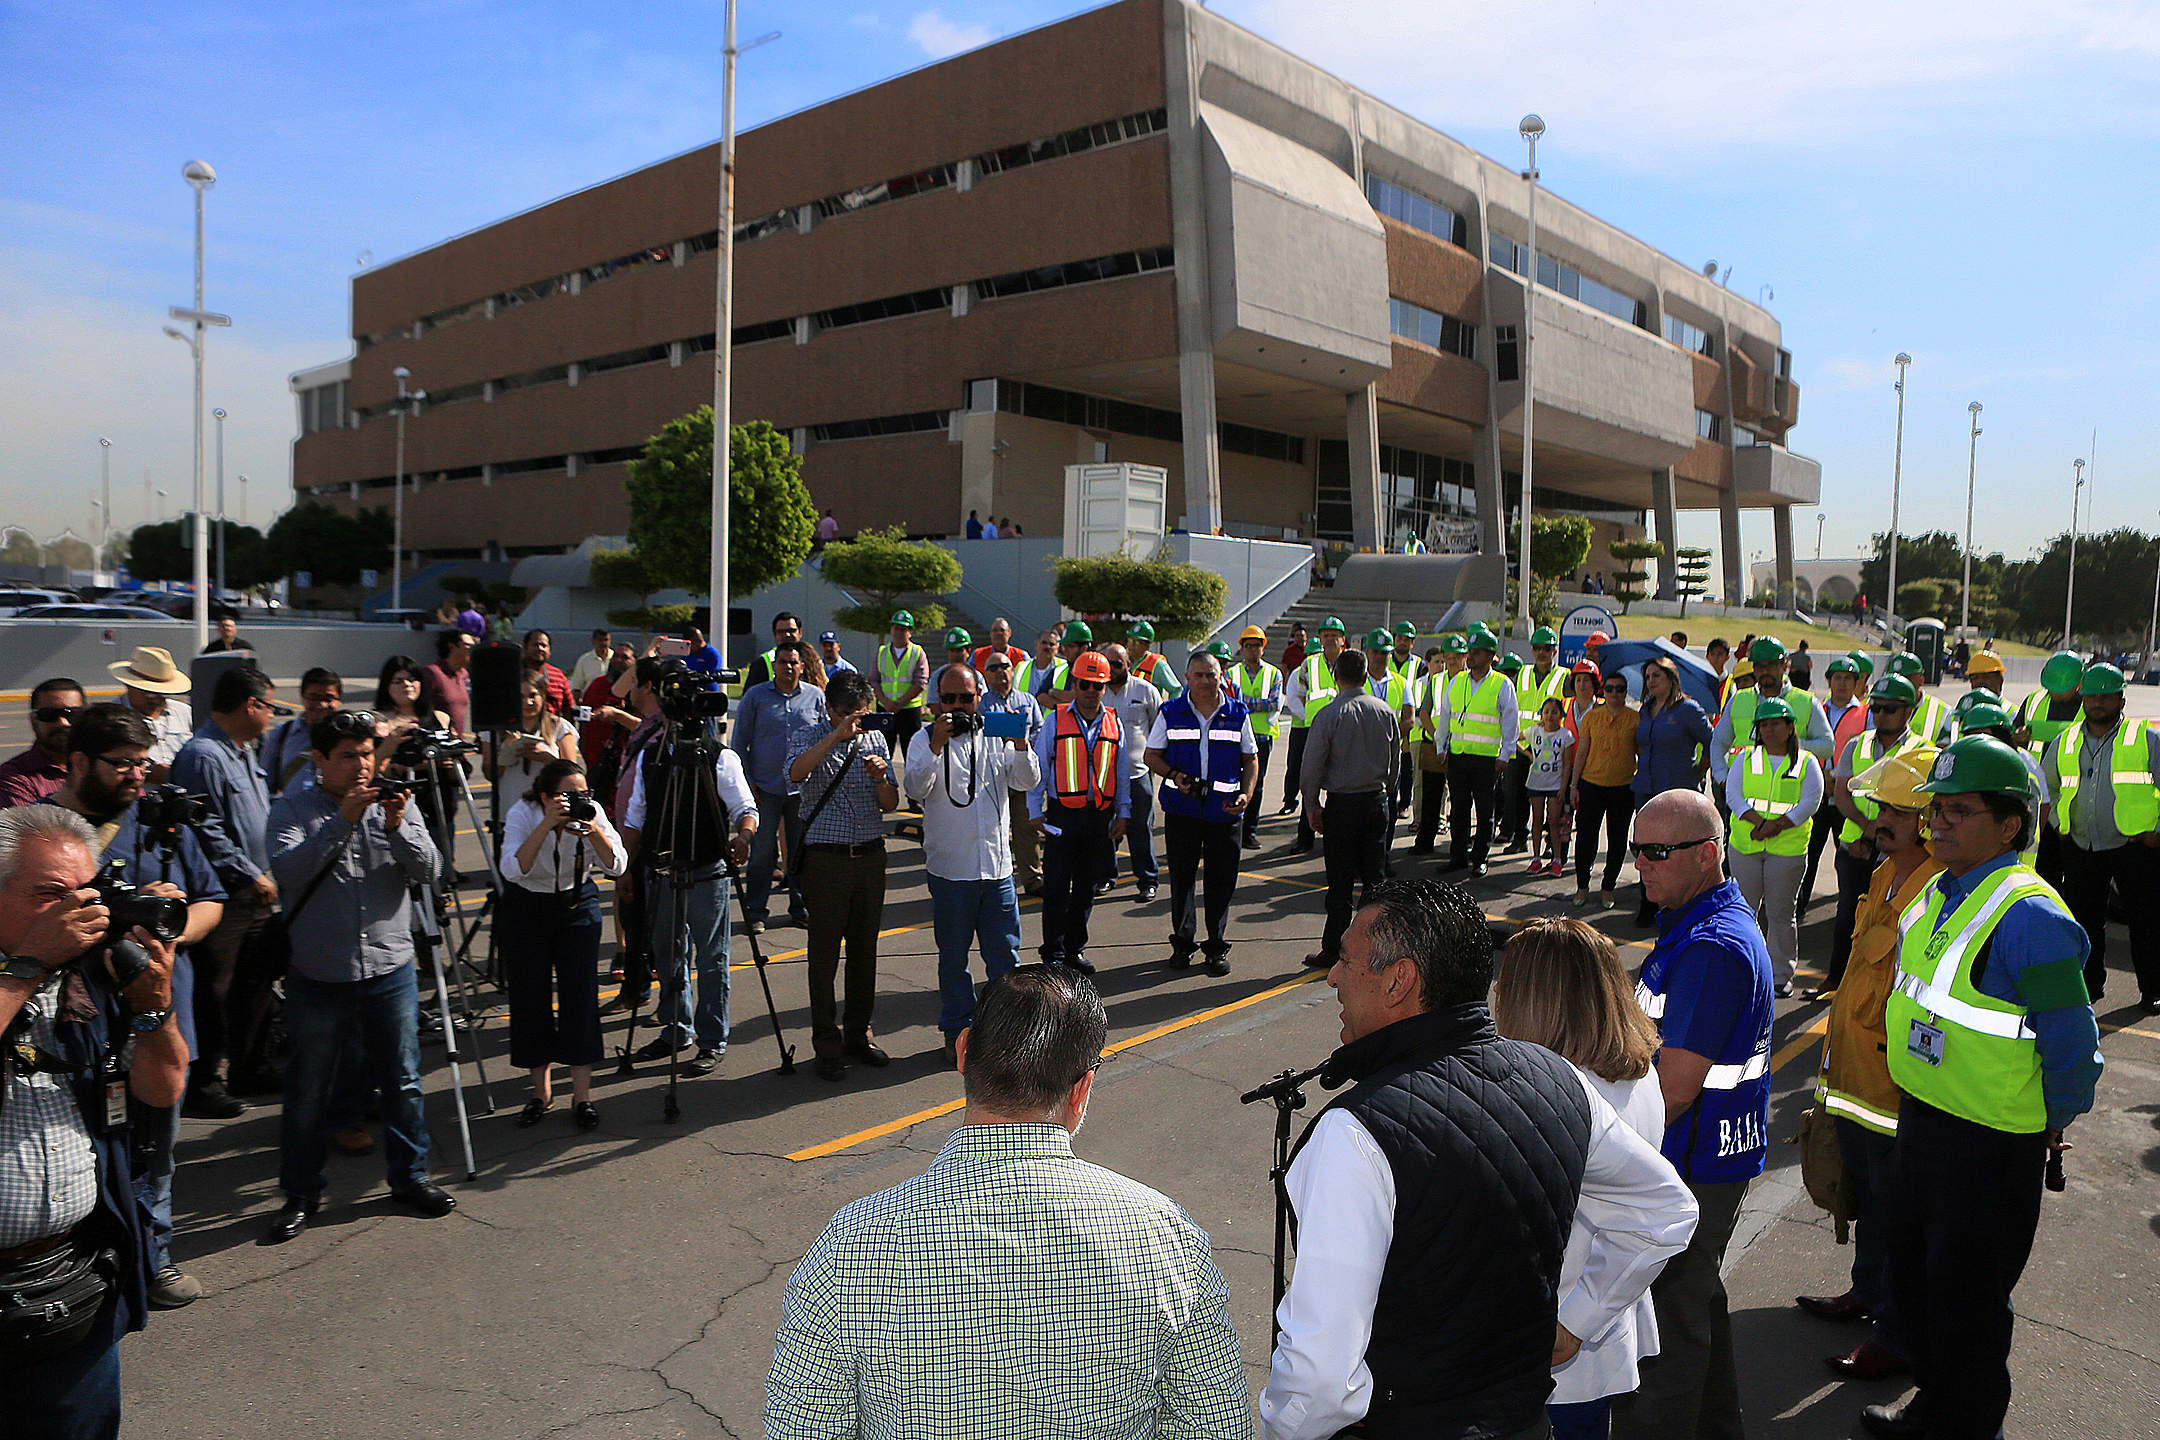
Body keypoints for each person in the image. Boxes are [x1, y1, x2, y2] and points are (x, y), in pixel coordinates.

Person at [1261, 879, 1697, 1440]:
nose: (1334, 976)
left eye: (1346, 960)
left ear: (1400, 981)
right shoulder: (1558, 1078)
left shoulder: (1355, 1133)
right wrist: (1577, 1322)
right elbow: (1665, 1209)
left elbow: (1320, 1374)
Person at [766, 964, 1251, 1437]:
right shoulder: (1163, 1234)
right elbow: (1216, 1420)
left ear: (962, 1052)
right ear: (1081, 1088)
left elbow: (800, 1424)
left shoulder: (850, 1244)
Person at [1861, 735, 2103, 1440]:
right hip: (1926, 1123)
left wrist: (2049, 1122)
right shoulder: (1939, 886)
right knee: (1917, 1286)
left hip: (1991, 1146)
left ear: (2010, 826)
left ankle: (1966, 1429)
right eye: (1935, 809)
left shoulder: (2032, 917)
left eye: (1959, 811)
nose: (1938, 822)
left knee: (1968, 1305)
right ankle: (1935, 1409)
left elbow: (2073, 1050)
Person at [0, 805, 185, 1438]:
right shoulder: (31, 969)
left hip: (75, 1284)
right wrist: (26, 966)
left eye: (82, 895)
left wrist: (154, 1010)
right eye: (47, 896)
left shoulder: (87, 977)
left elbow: (164, 1090)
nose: (70, 913)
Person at [44, 705, 226, 1310]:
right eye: (120, 764)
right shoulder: (39, 834)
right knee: (79, 1151)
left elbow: (212, 904)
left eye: (142, 764)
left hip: (157, 1015)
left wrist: (165, 927)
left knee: (157, 1150)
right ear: (77, 762)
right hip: (73, 1028)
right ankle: (84, 1268)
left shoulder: (158, 821)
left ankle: (156, 1256)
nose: (135, 777)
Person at [1609, 790, 1773, 1440]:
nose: (1641, 866)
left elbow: (1674, 1089)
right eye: (1635, 851)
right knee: (1695, 1302)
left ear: (1707, 854)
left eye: (1656, 852)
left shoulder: (1711, 949)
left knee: (1663, 1335)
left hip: (1689, 1163)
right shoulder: (1692, 924)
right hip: (1700, 1157)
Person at [262, 709, 456, 1243]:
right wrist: (342, 819)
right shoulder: (292, 808)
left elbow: (429, 872)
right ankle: (301, 1193)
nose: (361, 765)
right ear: (319, 759)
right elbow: (290, 871)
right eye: (348, 756)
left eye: (368, 753)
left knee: (403, 1081)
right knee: (307, 1091)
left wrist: (397, 826)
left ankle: (410, 1177)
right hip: (320, 974)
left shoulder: (395, 802)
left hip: (388, 968)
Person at [1493, 918, 1687, 1440]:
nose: (1494, 992)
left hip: (1558, 1332)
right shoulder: (1639, 1069)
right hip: (1595, 1326)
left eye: (1506, 982)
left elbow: (1661, 1213)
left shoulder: (1563, 1092)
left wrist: (1574, 1322)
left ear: (1535, 1000)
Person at [1794, 748, 1939, 1384]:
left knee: (1895, 1207)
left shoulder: (1937, 888)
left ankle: (1895, 1332)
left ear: (1929, 821)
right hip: (1854, 1072)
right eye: (1880, 807)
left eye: (1897, 813)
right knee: (1866, 1194)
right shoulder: (1884, 874)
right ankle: (1867, 1296)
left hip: (1893, 1081)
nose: (1880, 820)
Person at [620, 670, 759, 1077]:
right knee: (667, 954)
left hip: (707, 870)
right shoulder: (652, 756)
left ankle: (712, 1039)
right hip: (662, 871)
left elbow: (746, 809)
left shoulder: (720, 756)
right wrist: (627, 870)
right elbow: (635, 818)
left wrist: (744, 839)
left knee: (712, 959)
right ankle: (674, 1028)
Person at [906, 663, 1039, 1066]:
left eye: (966, 697)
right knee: (953, 958)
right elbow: (915, 788)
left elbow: (1027, 781)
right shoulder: (922, 739)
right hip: (951, 869)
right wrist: (935, 747)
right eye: (949, 699)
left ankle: (1006, 1031)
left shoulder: (995, 735)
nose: (958, 706)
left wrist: (1020, 743)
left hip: (996, 868)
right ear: (936, 703)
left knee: (1004, 960)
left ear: (979, 697)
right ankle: (958, 1031)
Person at [170, 667, 285, 1115]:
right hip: (228, 892)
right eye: (270, 706)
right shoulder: (204, 756)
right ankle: (203, 1083)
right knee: (213, 990)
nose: (273, 715)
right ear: (250, 705)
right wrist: (248, 874)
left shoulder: (241, 752)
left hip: (257, 889)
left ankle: (250, 1067)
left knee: (253, 983)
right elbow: (205, 829)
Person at [501, 758, 625, 1130]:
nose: (577, 800)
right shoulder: (523, 812)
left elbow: (617, 865)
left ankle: (582, 1096)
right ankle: (540, 1092)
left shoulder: (592, 812)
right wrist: (547, 824)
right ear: (545, 796)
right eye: (567, 795)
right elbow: (513, 868)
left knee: (580, 996)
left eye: (583, 793)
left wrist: (593, 832)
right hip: (527, 906)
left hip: (576, 903)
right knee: (530, 996)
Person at [788, 670, 900, 1079]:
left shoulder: (876, 739)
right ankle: (826, 1043)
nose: (856, 721)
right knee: (823, 955)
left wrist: (881, 777)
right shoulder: (810, 735)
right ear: (830, 711)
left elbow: (889, 802)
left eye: (861, 713)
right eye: (846, 714)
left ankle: (858, 1033)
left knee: (864, 951)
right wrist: (835, 737)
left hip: (869, 855)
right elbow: (795, 774)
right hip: (826, 859)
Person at [2041, 661, 2160, 1008]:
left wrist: (2157, 831)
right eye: (2092, 696)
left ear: (2122, 701)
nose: (2098, 703)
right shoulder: (2066, 741)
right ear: (2082, 699)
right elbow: (2049, 788)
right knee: (2085, 922)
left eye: (2107, 697)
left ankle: (2152, 989)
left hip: (2135, 844)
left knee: (2146, 920)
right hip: (2082, 844)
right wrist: (2059, 823)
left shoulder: (2145, 738)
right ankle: (2089, 988)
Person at [1146, 649, 1256, 977]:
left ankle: (1216, 945)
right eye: (1199, 675)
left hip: (1225, 813)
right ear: (1187, 679)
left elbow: (1251, 759)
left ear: (1221, 676)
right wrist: (1173, 775)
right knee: (1182, 880)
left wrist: (1246, 795)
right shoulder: (1170, 712)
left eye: (1212, 675)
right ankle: (1183, 942)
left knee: (1221, 881)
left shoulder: (1238, 713)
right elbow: (1152, 755)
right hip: (1183, 812)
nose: (1206, 681)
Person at [1826, 675, 1926, 993]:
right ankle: (1837, 979)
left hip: (1900, 854)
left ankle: (1882, 987)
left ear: (1909, 710)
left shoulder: (1921, 750)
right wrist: (1869, 828)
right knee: (1849, 916)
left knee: (1892, 921)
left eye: (1890, 709)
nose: (1881, 715)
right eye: (1876, 708)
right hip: (1856, 847)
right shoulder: (1858, 744)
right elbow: (1841, 794)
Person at [1301, 650, 1400, 970]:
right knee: (1375, 881)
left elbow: (1312, 764)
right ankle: (1378, 947)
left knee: (1340, 882)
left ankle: (1334, 947)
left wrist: (1312, 804)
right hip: (1376, 801)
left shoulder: (1330, 714)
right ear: (1365, 675)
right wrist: (1389, 793)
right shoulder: (1384, 711)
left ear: (1336, 675)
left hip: (1343, 805)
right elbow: (1396, 759)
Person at [1030, 651, 1127, 976]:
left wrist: (1123, 812)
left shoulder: (1114, 722)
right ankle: (1053, 955)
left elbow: (1121, 770)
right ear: (1074, 683)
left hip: (1098, 816)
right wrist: (1034, 809)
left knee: (1086, 887)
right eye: (1083, 683)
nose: (1089, 690)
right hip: (1061, 815)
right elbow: (1040, 766)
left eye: (1096, 685)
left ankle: (1075, 950)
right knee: (1056, 887)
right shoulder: (1056, 719)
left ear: (1105, 687)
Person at [1723, 696, 1823, 996]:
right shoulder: (1744, 758)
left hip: (1787, 849)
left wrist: (1776, 825)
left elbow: (1811, 800)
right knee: (1744, 910)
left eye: (1775, 723)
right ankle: (1743, 966)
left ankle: (1780, 974)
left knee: (1780, 913)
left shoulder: (1806, 762)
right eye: (1763, 725)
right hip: (1746, 846)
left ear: (1790, 727)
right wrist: (1758, 823)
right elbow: (1733, 795)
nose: (1769, 730)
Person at [732, 638, 823, 935]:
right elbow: (739, 742)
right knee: (761, 855)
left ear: (802, 666)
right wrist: (748, 783)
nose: (788, 667)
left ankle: (801, 908)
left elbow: (824, 740)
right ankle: (756, 912)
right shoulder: (756, 697)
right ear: (774, 666)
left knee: (799, 853)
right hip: (765, 789)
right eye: (782, 662)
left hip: (802, 790)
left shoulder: (815, 697)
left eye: (793, 662)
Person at [1630, 656, 1714, 927]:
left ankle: (1678, 905)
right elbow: (1642, 743)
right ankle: (1648, 903)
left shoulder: (1688, 709)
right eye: (1647, 677)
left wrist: (1698, 773)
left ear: (1671, 678)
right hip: (1645, 789)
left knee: (1675, 852)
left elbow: (1712, 742)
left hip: (1677, 791)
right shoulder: (1645, 709)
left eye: (1656, 675)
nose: (1651, 681)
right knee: (1645, 849)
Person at [1435, 624, 1518, 879]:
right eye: (1470, 652)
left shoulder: (1501, 684)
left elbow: (1510, 721)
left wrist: (1506, 754)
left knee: (1484, 812)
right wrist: (1441, 746)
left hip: (1487, 760)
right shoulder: (1457, 681)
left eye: (1477, 653)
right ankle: (1457, 855)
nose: (1470, 657)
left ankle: (1480, 858)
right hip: (1459, 757)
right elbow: (1445, 716)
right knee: (1458, 810)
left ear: (1491, 656)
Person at [1801, 656, 1869, 924]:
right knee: (1809, 855)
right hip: (1815, 794)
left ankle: (1846, 912)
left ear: (1857, 683)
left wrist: (1840, 781)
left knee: (1846, 860)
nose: (1842, 683)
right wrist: (1822, 779)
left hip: (1847, 797)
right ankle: (1799, 905)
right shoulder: (1814, 709)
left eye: (1848, 678)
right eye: (1837, 678)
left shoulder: (1867, 713)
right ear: (1828, 681)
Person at [977, 650, 1045, 894]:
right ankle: (992, 879)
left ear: (1013, 670)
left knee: (1025, 829)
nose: (999, 672)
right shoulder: (982, 703)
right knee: (992, 829)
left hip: (1022, 772)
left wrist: (1023, 742)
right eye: (992, 668)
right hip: (993, 775)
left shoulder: (1028, 699)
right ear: (985, 675)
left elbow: (1039, 729)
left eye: (1004, 666)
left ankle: (1033, 878)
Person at [1098, 643, 1162, 901]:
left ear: (1128, 665)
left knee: (1140, 828)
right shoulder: (1096, 691)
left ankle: (1148, 880)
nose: (1112, 669)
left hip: (1137, 773)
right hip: (1103, 775)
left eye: (1117, 664)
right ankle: (1105, 877)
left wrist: (1155, 765)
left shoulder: (1145, 690)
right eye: (1108, 664)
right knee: (1105, 828)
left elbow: (1159, 729)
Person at [1568, 669, 1637, 909]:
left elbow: (1642, 753)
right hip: (1591, 785)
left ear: (1626, 692)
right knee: (1586, 838)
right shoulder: (1591, 718)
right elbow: (1582, 753)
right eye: (1609, 688)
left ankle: (1608, 888)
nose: (1614, 693)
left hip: (1623, 789)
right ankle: (1582, 886)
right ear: (1603, 691)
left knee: (1617, 840)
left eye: (1620, 689)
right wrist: (1574, 785)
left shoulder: (1634, 719)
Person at [1281, 616, 1349, 851]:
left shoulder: (1350, 662)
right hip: (1314, 732)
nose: (1329, 640)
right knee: (1310, 785)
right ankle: (1305, 839)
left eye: (1334, 635)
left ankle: (1336, 840)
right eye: (1325, 635)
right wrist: (1311, 719)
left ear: (1343, 639)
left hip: (1344, 733)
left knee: (1340, 788)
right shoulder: (1309, 664)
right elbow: (1299, 695)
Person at [1230, 625, 1286, 848]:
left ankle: (1249, 832)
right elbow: (1230, 701)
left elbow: (1274, 702)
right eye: (1248, 645)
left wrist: (1244, 704)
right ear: (1242, 648)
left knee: (1256, 784)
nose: (1253, 649)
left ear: (1264, 647)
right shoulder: (1232, 673)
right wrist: (1253, 706)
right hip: (1235, 735)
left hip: (1262, 736)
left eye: (1257, 645)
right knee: (1231, 782)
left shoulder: (1274, 674)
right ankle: (1232, 826)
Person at [107, 646, 193, 777]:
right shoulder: (110, 717)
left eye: (164, 694)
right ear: (129, 685)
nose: (157, 700)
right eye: (150, 694)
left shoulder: (185, 713)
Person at [0, 676, 85, 805]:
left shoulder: (105, 763)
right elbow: (30, 823)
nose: (62, 723)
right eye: (48, 715)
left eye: (72, 714)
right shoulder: (13, 776)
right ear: (33, 722)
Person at [492, 673, 582, 792]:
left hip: (548, 802)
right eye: (521, 697)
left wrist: (547, 758)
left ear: (543, 696)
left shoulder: (560, 726)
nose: (528, 702)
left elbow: (571, 772)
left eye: (533, 695)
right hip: (510, 801)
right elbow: (490, 774)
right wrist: (505, 752)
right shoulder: (499, 728)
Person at [262, 667, 343, 796]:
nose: (321, 704)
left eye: (329, 699)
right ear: (302, 698)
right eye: (313, 698)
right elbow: (265, 784)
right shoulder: (282, 734)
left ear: (339, 701)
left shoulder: (348, 736)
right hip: (291, 813)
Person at [873, 610, 929, 788]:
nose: (899, 632)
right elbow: (874, 679)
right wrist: (886, 702)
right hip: (885, 709)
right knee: (882, 753)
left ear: (910, 632)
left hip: (909, 711)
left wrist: (900, 703)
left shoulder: (917, 652)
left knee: (911, 754)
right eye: (896, 628)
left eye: (903, 629)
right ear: (891, 630)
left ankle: (913, 795)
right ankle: (883, 791)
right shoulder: (882, 652)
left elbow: (920, 682)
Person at [1524, 696, 1574, 878]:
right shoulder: (1534, 731)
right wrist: (1528, 755)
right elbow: (1514, 738)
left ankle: (1557, 860)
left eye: (1554, 712)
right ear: (1541, 714)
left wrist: (1563, 788)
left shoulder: (1565, 735)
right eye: (1546, 712)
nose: (1550, 715)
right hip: (1536, 782)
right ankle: (1536, 858)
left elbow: (1567, 764)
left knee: (1554, 822)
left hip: (1555, 784)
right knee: (1537, 821)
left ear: (1561, 714)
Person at [419, 629, 474, 737]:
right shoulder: (432, 673)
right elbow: (419, 709)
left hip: (457, 743)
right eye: (469, 646)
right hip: (438, 743)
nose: (473, 650)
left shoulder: (463, 674)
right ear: (451, 647)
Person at [742, 613, 805, 690]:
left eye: (791, 630)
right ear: (774, 634)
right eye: (781, 632)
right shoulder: (762, 663)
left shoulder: (813, 661)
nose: (787, 635)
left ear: (800, 632)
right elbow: (751, 697)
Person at [522, 628, 576, 715]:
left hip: (552, 726)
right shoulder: (511, 672)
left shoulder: (558, 676)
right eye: (535, 645)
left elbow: (568, 709)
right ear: (525, 647)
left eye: (544, 645)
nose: (540, 649)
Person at [1124, 619, 1181, 696]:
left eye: (1137, 642)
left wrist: (1169, 707)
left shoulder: (1158, 665)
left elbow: (1176, 690)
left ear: (1147, 645)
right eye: (1130, 640)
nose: (1131, 645)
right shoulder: (1123, 661)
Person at [568, 628, 612, 693]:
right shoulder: (584, 660)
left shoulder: (616, 658)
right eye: (600, 640)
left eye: (606, 640)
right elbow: (577, 686)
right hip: (591, 700)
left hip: (612, 700)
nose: (603, 643)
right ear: (593, 641)